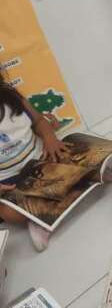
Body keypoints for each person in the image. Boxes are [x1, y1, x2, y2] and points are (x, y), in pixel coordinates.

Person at [0, 72, 69, 251]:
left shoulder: (10, 96)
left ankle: (70, 185)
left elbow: (39, 121)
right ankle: (37, 218)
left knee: (68, 154)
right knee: (8, 213)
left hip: (39, 159)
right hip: (7, 180)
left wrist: (49, 138)